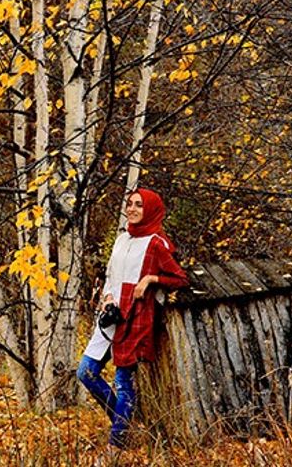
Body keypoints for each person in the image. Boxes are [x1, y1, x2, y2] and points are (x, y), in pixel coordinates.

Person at [76, 188, 189, 452]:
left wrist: (150, 280)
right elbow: (111, 275)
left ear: (149, 209)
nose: (133, 209)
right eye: (129, 204)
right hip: (111, 316)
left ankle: (116, 445)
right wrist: (106, 297)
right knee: (86, 372)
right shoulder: (122, 238)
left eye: (139, 205)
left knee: (123, 381)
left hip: (135, 318)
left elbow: (180, 278)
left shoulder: (155, 243)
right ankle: (124, 423)